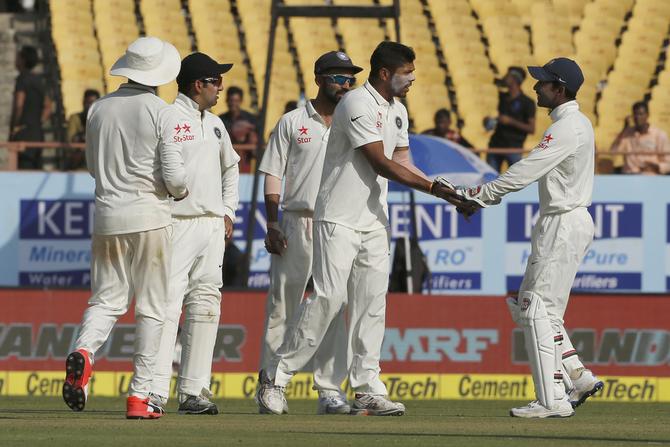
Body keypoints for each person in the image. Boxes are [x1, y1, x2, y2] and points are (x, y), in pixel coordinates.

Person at [256, 41, 471, 416]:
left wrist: (448, 192)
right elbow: (380, 163)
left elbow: (404, 161)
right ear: (385, 73)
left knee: (371, 304)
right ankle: (276, 376)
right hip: (337, 218)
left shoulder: (397, 111)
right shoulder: (356, 104)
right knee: (328, 298)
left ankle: (368, 387)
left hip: (373, 221)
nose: (412, 79)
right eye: (407, 72)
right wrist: (436, 189)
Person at [457, 57, 603, 418]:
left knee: (535, 308)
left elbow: (524, 171)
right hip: (561, 221)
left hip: (563, 222)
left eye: (542, 83)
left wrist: (482, 195)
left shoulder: (568, 127)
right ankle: (577, 376)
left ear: (560, 89)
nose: (535, 87)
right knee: (533, 307)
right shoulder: (571, 124)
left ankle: (552, 399)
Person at [61, 36, 188, 420]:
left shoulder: (98, 109)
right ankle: (140, 397)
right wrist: (178, 191)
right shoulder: (161, 111)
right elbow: (176, 179)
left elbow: (92, 165)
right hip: (150, 217)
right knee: (152, 308)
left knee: (105, 300)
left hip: (107, 216)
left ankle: (83, 352)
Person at [255, 51, 363, 415]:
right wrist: (271, 223)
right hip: (298, 220)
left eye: (350, 79)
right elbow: (273, 173)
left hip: (339, 222)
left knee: (332, 306)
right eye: (338, 77)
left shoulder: (357, 121)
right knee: (282, 305)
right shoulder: (291, 121)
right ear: (318, 78)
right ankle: (269, 384)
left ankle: (329, 391)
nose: (346, 84)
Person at [150, 52, 240, 415]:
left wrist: (228, 212)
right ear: (198, 84)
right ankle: (153, 389)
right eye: (216, 81)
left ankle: (192, 391)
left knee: (205, 307)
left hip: (210, 226)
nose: (221, 87)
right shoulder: (169, 117)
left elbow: (230, 169)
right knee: (167, 306)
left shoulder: (216, 124)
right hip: (177, 222)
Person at [485, 66, 536, 172]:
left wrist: (511, 122)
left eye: (507, 75)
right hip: (496, 145)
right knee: (489, 181)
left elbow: (531, 129)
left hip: (513, 148)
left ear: (514, 79)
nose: (504, 78)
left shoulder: (527, 102)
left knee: (515, 182)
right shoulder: (502, 97)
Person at [10, 45, 52, 169]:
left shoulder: (22, 79)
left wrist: (16, 126)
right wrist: (36, 123)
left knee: (24, 172)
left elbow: (19, 104)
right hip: (37, 134)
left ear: (23, 60)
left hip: (23, 134)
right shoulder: (38, 80)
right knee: (36, 171)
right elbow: (48, 106)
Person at [610, 101, 670, 175]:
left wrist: (656, 167)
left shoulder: (659, 135)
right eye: (635, 114)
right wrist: (624, 129)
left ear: (647, 115)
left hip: (650, 177)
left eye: (641, 114)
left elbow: (668, 163)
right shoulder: (627, 134)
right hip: (628, 176)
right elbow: (613, 152)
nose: (637, 117)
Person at [65, 89, 100, 170]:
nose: (90, 106)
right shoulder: (75, 118)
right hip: (79, 160)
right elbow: (70, 140)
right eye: (88, 103)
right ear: (83, 103)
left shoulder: (102, 119)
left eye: (93, 103)